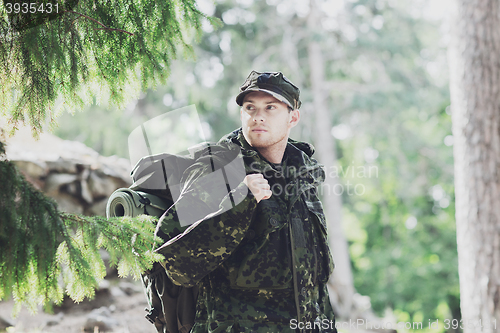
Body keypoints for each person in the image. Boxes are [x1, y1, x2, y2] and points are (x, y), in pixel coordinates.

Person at [154, 71, 337, 332]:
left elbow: (315, 287)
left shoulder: (302, 175)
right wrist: (240, 200)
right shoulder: (218, 167)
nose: (258, 116)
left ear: (292, 118)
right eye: (250, 108)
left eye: (270, 108)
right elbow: (176, 262)